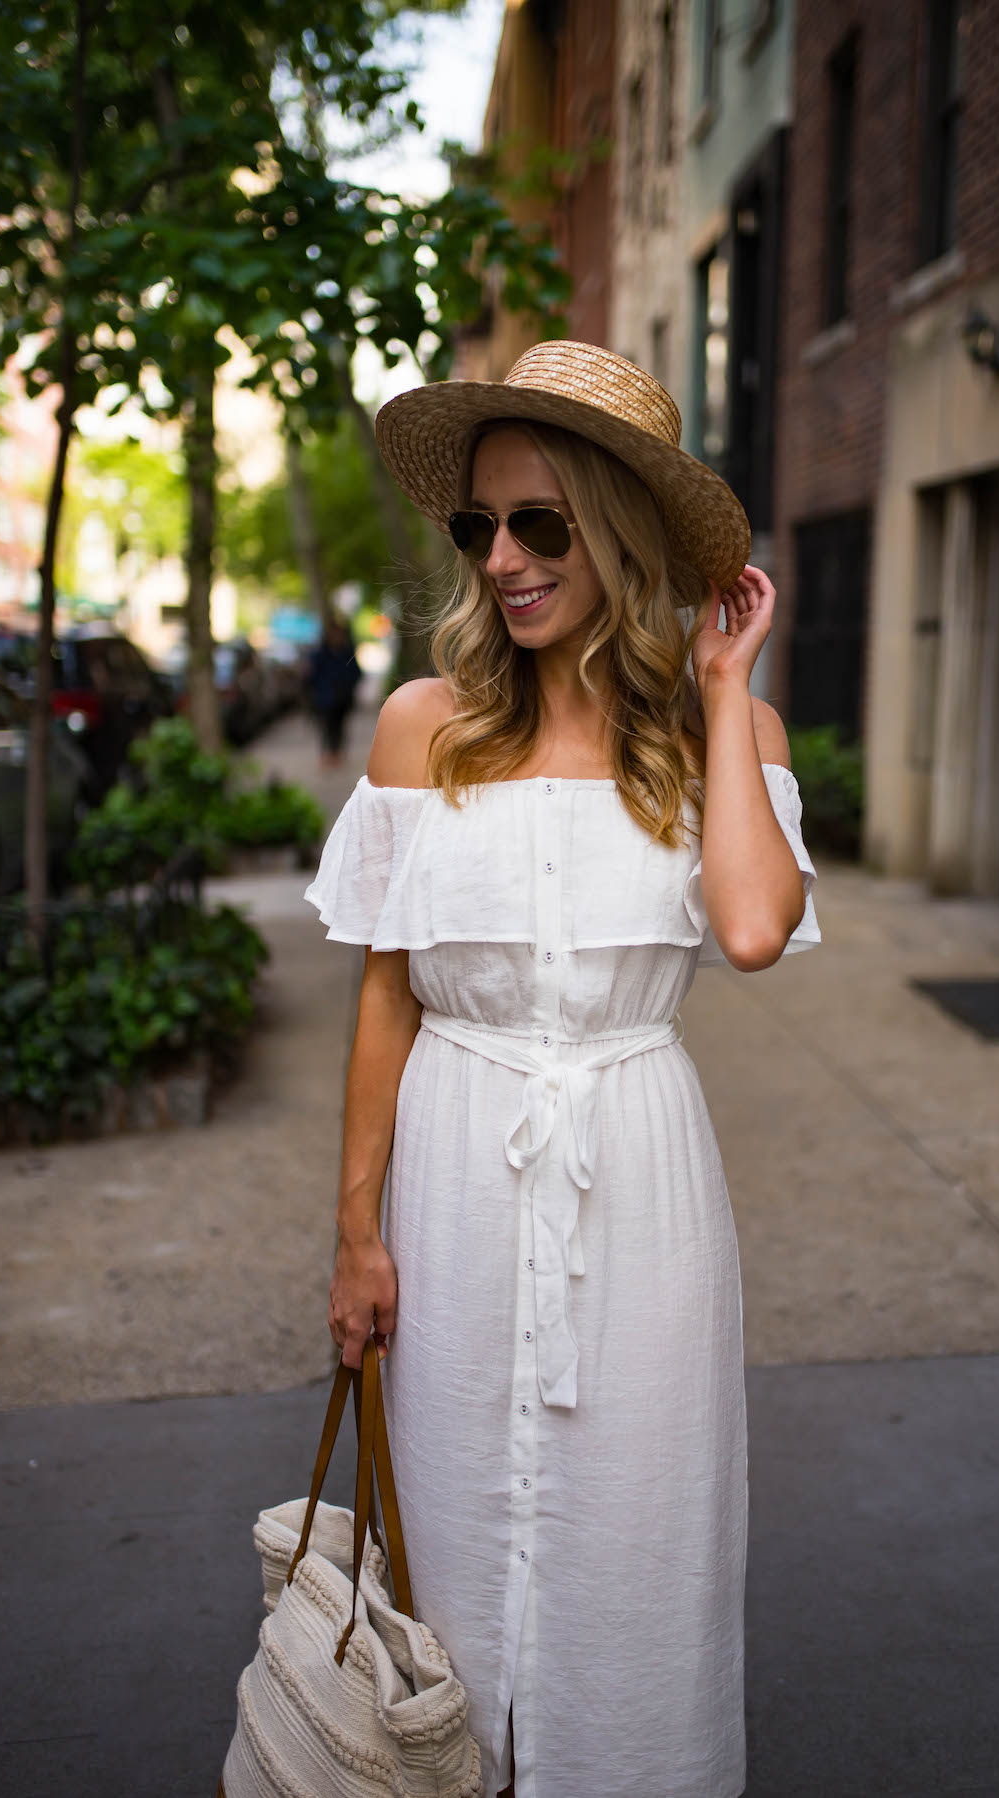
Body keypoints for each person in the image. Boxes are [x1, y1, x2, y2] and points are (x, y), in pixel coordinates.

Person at [304, 341, 821, 1798]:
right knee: (455, 1537)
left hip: (636, 1180)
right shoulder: (425, 729)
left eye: (542, 522)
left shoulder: (731, 736)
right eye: (480, 527)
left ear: (619, 526)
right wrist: (356, 1233)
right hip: (454, 1174)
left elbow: (750, 926)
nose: (506, 559)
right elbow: (386, 999)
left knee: (635, 1538)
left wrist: (723, 689)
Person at [307, 613, 361, 768]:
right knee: (326, 726)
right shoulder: (320, 654)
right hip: (324, 698)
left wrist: (347, 686)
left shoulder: (347, 653)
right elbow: (311, 676)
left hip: (342, 698)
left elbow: (356, 673)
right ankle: (328, 754)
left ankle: (337, 753)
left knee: (340, 726)